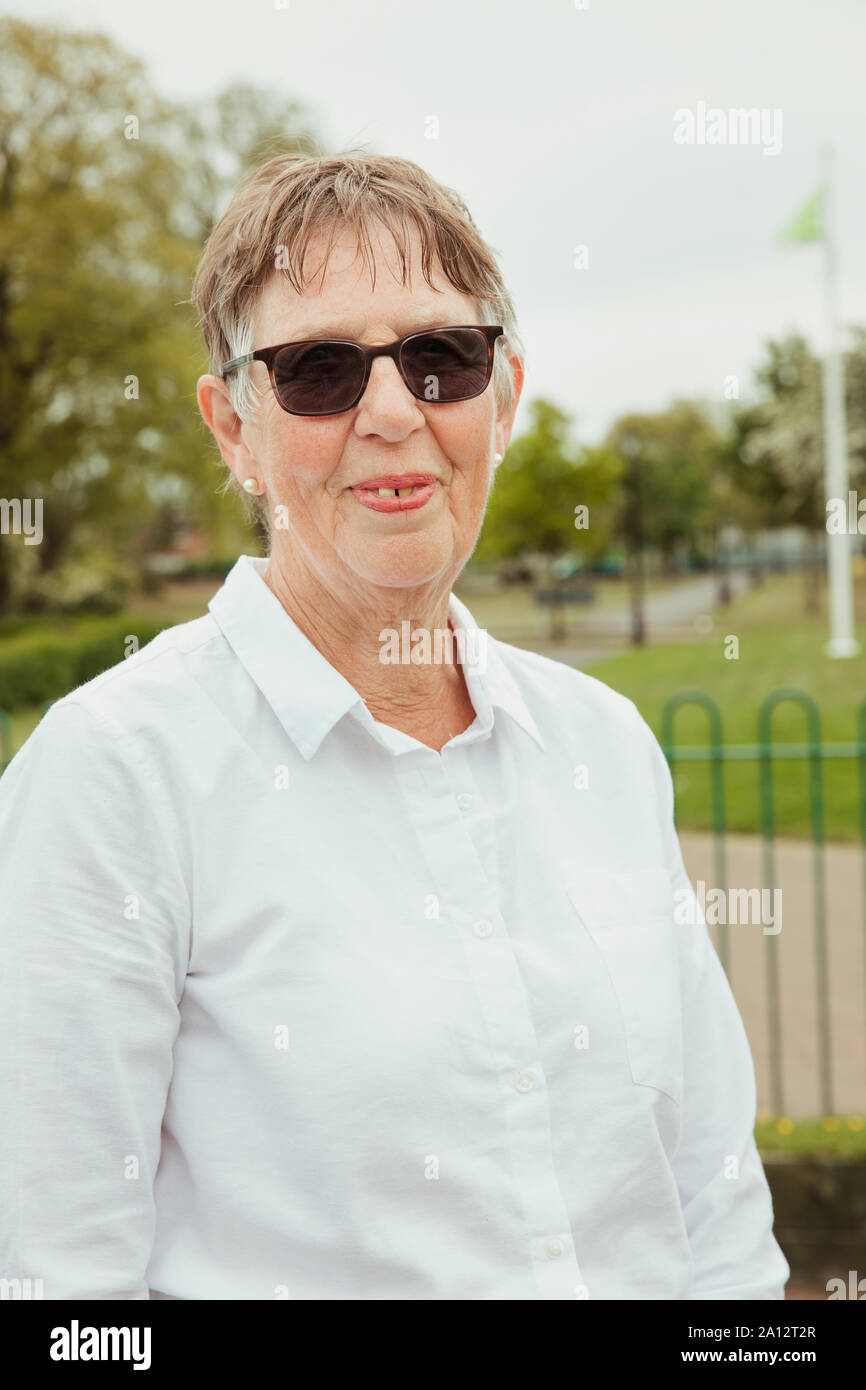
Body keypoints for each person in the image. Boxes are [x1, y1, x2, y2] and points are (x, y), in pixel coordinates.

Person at [0, 151, 789, 1300]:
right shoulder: (114, 775)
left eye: (439, 358)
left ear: (502, 393)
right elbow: (59, 1286)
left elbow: (713, 1209)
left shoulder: (604, 745)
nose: (389, 413)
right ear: (232, 426)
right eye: (318, 369)